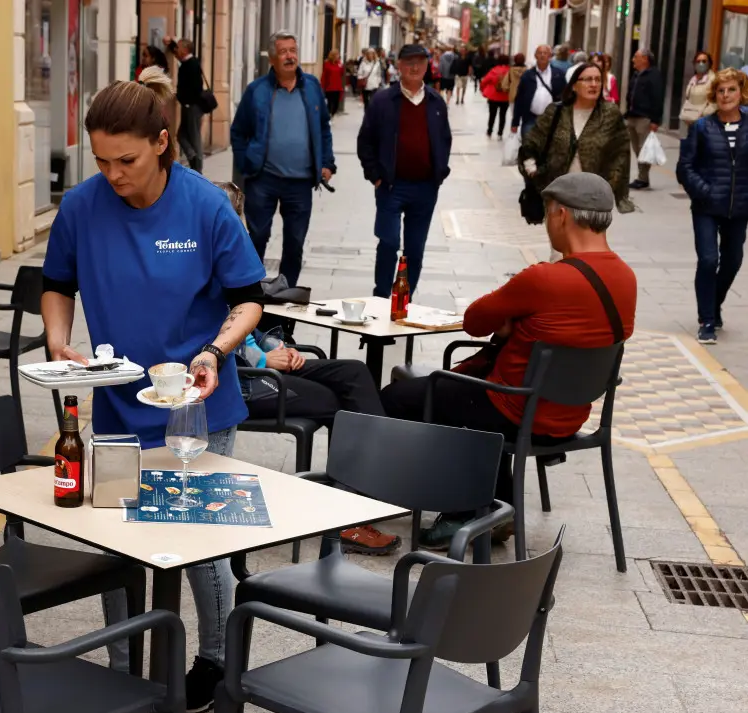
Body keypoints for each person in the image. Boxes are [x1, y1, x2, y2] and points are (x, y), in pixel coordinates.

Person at [40, 69, 266, 713]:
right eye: (102, 160)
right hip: (115, 401)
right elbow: (57, 282)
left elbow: (248, 299)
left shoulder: (205, 206)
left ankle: (217, 662)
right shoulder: (82, 206)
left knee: (196, 544)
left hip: (196, 402)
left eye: (127, 160)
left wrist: (214, 352)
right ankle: (123, 674)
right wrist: (59, 342)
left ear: (163, 143)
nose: (114, 174)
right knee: (118, 542)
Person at [381, 173, 637, 548]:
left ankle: (462, 509)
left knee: (400, 396)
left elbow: (473, 321)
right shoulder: (626, 278)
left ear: (561, 215)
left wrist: (509, 325)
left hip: (516, 411)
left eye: (548, 213)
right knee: (475, 398)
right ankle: (494, 507)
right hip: (568, 415)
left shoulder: (544, 279)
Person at [236, 331, 400, 555]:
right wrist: (264, 359)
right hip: (244, 380)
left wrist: (280, 349)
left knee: (354, 371)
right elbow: (211, 341)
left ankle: (365, 483)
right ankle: (348, 518)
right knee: (337, 402)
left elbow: (251, 332)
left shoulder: (232, 297)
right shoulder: (204, 296)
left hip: (262, 365)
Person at [231, 31, 335, 288]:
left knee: (295, 242)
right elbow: (238, 131)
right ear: (273, 59)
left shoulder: (311, 87)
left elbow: (323, 128)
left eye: (293, 50)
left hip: (300, 183)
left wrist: (327, 162)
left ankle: (285, 294)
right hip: (263, 179)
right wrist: (247, 164)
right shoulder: (257, 91)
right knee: (256, 237)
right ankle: (251, 293)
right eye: (283, 52)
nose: (290, 56)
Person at [357, 43, 452, 298]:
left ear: (427, 66)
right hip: (390, 186)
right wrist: (375, 175)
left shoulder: (435, 102)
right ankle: (380, 296)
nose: (414, 67)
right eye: (409, 62)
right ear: (399, 66)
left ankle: (403, 299)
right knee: (388, 242)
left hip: (425, 188)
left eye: (420, 62)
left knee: (415, 249)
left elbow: (445, 140)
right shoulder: (383, 100)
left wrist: (439, 173)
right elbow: (365, 141)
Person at [678, 68, 748, 344]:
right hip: (707, 206)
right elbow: (685, 167)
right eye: (721, 90)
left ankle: (714, 303)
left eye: (731, 89)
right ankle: (707, 319)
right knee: (708, 260)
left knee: (733, 261)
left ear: (741, 92)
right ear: (714, 94)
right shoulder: (702, 127)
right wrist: (703, 191)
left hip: (740, 206)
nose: (726, 95)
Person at [519, 62, 633, 214]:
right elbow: (532, 142)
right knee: (563, 237)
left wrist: (611, 184)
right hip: (558, 193)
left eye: (598, 80)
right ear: (574, 86)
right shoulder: (556, 112)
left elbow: (621, 152)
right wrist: (532, 168)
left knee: (591, 237)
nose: (594, 84)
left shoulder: (610, 114)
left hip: (593, 197)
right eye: (587, 79)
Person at [163, 36, 205, 172]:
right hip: (188, 106)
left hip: (192, 106)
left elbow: (196, 87)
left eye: (179, 47)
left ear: (185, 50)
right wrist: (170, 44)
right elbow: (176, 52)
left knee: (193, 136)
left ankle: (197, 166)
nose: (177, 50)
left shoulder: (192, 64)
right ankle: (193, 157)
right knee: (181, 135)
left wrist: (186, 101)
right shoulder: (187, 62)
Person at [626, 49, 664, 190]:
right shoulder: (636, 74)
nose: (633, 59)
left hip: (645, 118)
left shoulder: (654, 75)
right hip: (632, 115)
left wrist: (655, 120)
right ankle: (643, 176)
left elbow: (658, 98)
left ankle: (643, 178)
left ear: (645, 59)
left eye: (636, 57)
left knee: (644, 149)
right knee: (636, 148)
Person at [512, 45, 566, 136]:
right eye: (540, 53)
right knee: (528, 146)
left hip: (552, 119)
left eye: (545, 53)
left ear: (550, 56)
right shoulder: (527, 75)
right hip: (531, 118)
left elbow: (565, 96)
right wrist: (515, 122)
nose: (542, 55)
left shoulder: (558, 74)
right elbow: (519, 98)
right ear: (535, 56)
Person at [680, 51, 717, 136]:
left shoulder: (713, 80)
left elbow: (714, 104)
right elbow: (689, 98)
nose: (701, 64)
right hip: (691, 122)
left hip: (705, 124)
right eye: (698, 61)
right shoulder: (693, 79)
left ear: (709, 63)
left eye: (704, 61)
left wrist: (701, 117)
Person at [482, 54, 512, 138]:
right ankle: (500, 133)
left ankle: (489, 130)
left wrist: (483, 90)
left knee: (492, 114)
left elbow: (484, 81)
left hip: (493, 96)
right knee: (503, 115)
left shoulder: (494, 70)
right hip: (505, 96)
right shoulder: (510, 71)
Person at [322, 49, 345, 116]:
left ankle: (333, 114)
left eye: (338, 54)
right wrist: (322, 86)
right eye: (337, 55)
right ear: (333, 56)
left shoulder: (340, 64)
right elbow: (324, 75)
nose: (338, 56)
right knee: (330, 102)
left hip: (337, 86)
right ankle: (329, 116)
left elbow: (341, 73)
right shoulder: (327, 64)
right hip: (329, 87)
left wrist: (341, 66)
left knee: (336, 103)